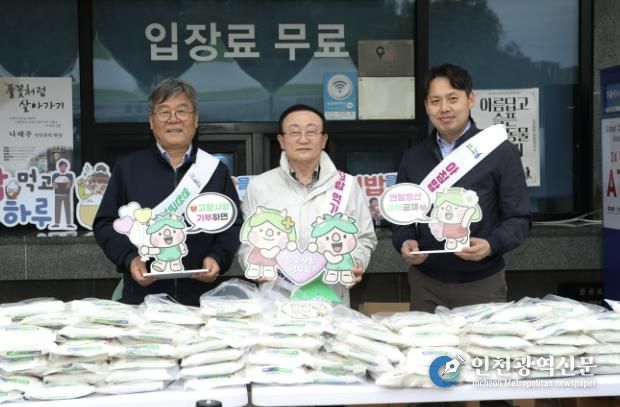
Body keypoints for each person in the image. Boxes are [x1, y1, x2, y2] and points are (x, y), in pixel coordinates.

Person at [392, 64, 530, 312]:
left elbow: (519, 218)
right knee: (427, 340)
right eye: (435, 101)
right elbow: (402, 219)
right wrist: (405, 242)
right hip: (425, 283)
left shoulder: (500, 152)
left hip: (483, 282)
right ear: (426, 107)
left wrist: (492, 244)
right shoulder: (413, 157)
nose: (444, 108)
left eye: (453, 99)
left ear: (470, 99)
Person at [94, 77, 242, 306]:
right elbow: (105, 223)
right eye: (164, 112)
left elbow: (233, 225)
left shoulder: (215, 170)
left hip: (201, 300)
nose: (173, 119)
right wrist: (130, 259)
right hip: (143, 299)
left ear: (195, 119)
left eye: (181, 111)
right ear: (151, 122)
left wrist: (217, 258)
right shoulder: (128, 168)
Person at [238, 104, 377, 305]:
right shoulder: (260, 186)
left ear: (323, 140)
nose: (303, 139)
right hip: (276, 299)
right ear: (281, 141)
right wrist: (253, 266)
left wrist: (356, 262)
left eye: (311, 132)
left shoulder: (347, 185)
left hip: (329, 298)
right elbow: (247, 243)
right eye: (294, 132)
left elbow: (364, 237)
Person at [51, 158, 76, 230]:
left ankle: (69, 224)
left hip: (66, 195)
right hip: (57, 195)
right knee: (57, 209)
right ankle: (56, 223)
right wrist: (62, 184)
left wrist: (62, 184)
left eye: (65, 166)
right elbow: (54, 185)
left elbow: (69, 185)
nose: (63, 168)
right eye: (62, 166)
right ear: (59, 167)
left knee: (68, 209)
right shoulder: (55, 175)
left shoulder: (69, 175)